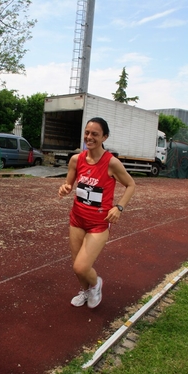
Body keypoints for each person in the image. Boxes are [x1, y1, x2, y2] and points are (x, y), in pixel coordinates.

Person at [58, 117, 135, 309]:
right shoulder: (76, 159)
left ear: (104, 137)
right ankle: (86, 292)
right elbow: (69, 183)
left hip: (98, 223)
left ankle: (96, 284)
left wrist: (119, 207)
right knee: (77, 267)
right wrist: (65, 188)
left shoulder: (112, 163)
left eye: (95, 134)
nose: (89, 137)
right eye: (87, 132)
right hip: (77, 219)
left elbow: (131, 185)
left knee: (81, 267)